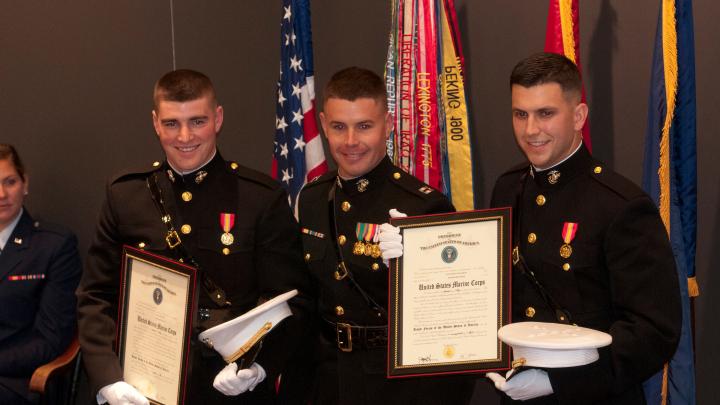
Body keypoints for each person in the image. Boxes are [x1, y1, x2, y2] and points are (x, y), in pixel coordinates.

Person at [76, 70, 311, 404]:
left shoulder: (260, 198)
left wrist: (259, 364)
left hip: (230, 385)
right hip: (145, 385)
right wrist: (108, 379)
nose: (184, 136)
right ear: (155, 123)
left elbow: (292, 300)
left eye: (197, 121)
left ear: (217, 118)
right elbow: (96, 295)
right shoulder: (126, 196)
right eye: (172, 123)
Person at [486, 52, 681, 403]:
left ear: (578, 116)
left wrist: (558, 383)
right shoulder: (508, 188)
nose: (531, 130)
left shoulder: (619, 205)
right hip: (515, 393)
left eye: (546, 113)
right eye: (520, 114)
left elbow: (653, 332)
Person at [297, 67, 475, 404]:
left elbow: (453, 320)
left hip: (395, 385)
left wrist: (412, 271)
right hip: (327, 378)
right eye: (339, 127)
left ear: (389, 124)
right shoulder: (313, 198)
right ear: (323, 124)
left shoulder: (422, 206)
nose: (350, 141)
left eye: (364, 126)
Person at [0, 144, 82, 404]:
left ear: (25, 184)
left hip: (14, 380)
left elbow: (51, 338)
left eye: (9, 182)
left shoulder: (54, 245)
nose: (1, 194)